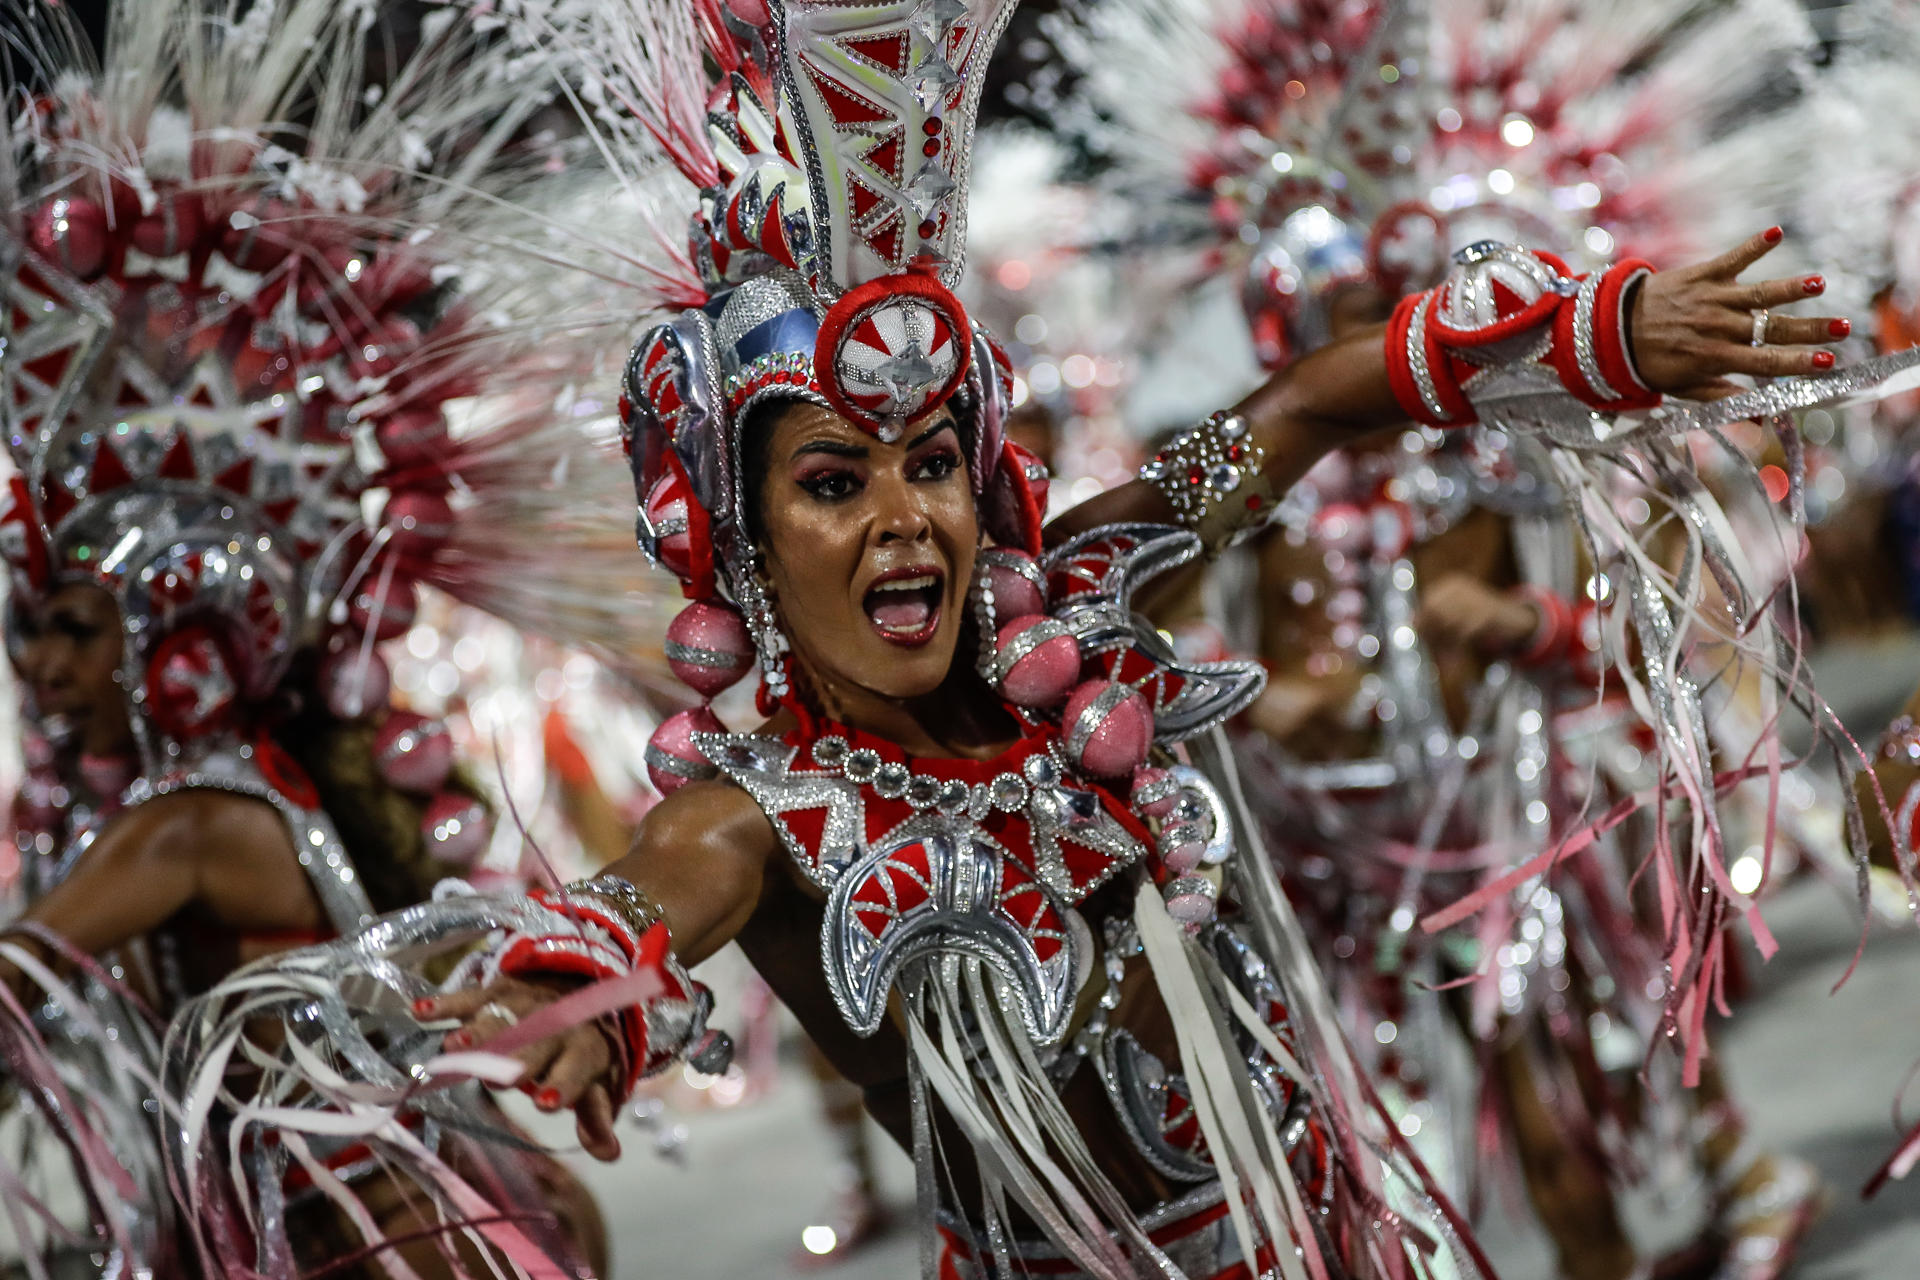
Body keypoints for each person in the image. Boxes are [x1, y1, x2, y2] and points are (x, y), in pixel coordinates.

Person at [268, 3, 1895, 1278]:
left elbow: (1310, 402)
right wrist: (579, 982)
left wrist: (1607, 328)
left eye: (931, 462)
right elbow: (639, 906)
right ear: (738, 541)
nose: (905, 516)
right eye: (833, 482)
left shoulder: (1085, 610)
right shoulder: (759, 818)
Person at [0, 0, 667, 1273]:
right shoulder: (248, 792)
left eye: (78, 627)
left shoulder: (188, 823)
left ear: (184, 639)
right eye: (28, 629)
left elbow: (10, 997)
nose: (40, 667)